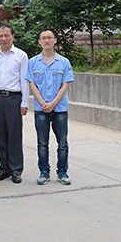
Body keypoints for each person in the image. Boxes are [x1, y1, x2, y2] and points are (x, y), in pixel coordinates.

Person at [25, 29, 75, 186]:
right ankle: (44, 172)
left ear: (55, 40)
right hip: (41, 109)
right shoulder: (33, 62)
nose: (46, 40)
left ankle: (62, 172)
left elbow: (65, 85)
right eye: (43, 38)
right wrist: (42, 103)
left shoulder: (64, 62)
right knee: (42, 143)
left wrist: (53, 103)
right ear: (39, 41)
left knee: (62, 143)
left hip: (60, 109)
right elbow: (32, 84)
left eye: (49, 37)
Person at [0, 24, 29, 184]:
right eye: (0, 36)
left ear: (12, 36)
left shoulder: (21, 55)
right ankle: (4, 168)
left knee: (14, 135)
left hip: (13, 99)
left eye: (6, 35)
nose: (3, 39)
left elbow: (24, 79)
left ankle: (16, 169)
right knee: (0, 136)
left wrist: (24, 102)